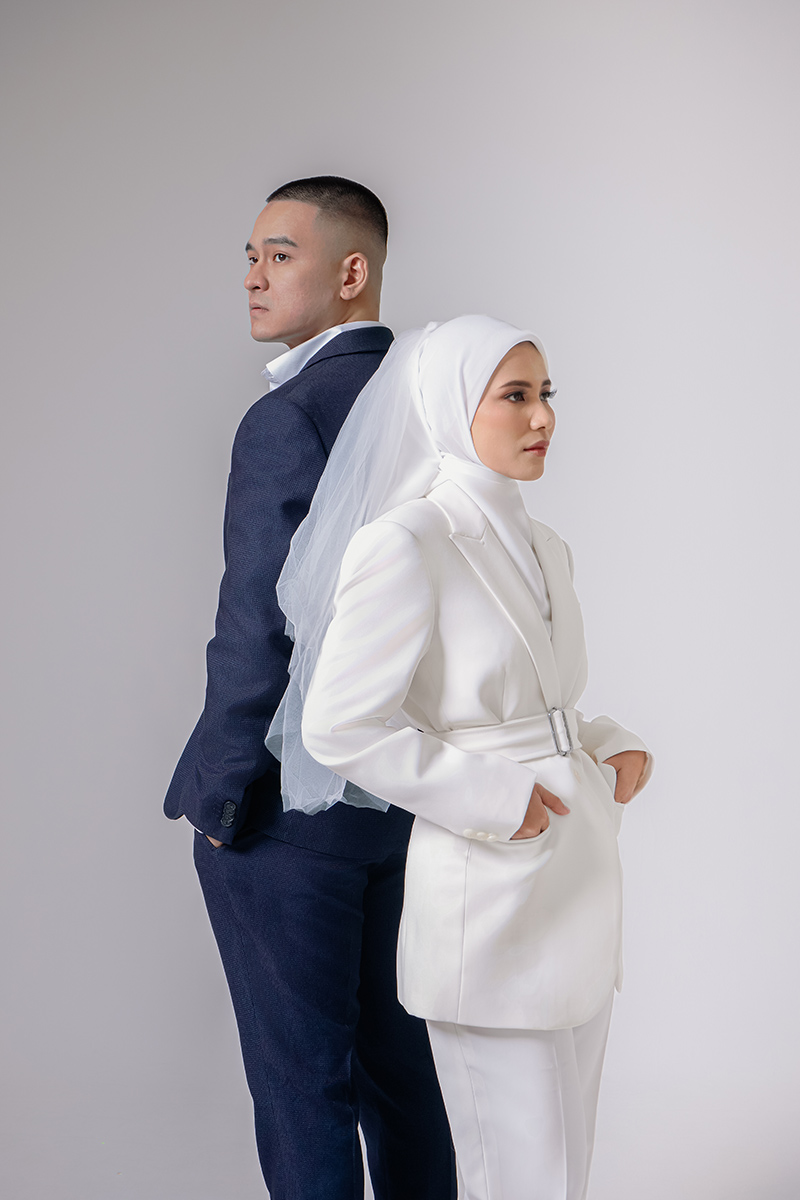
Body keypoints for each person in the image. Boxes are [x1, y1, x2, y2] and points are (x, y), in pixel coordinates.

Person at [280, 315, 653, 1200]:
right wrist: (493, 800)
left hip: (577, 881)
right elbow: (339, 725)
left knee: (563, 1173)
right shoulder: (407, 542)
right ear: (451, 407)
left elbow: (534, 703)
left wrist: (606, 744)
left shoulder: (547, 545)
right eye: (514, 396)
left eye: (546, 394)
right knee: (518, 1174)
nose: (542, 417)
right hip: (490, 895)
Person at [164, 178, 455, 1200]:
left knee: (301, 1090)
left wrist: (220, 790)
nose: (253, 275)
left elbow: (258, 620)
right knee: (403, 1081)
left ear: (351, 272)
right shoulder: (440, 406)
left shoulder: (287, 415)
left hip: (290, 804)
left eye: (279, 255)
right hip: (408, 799)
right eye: (249, 256)